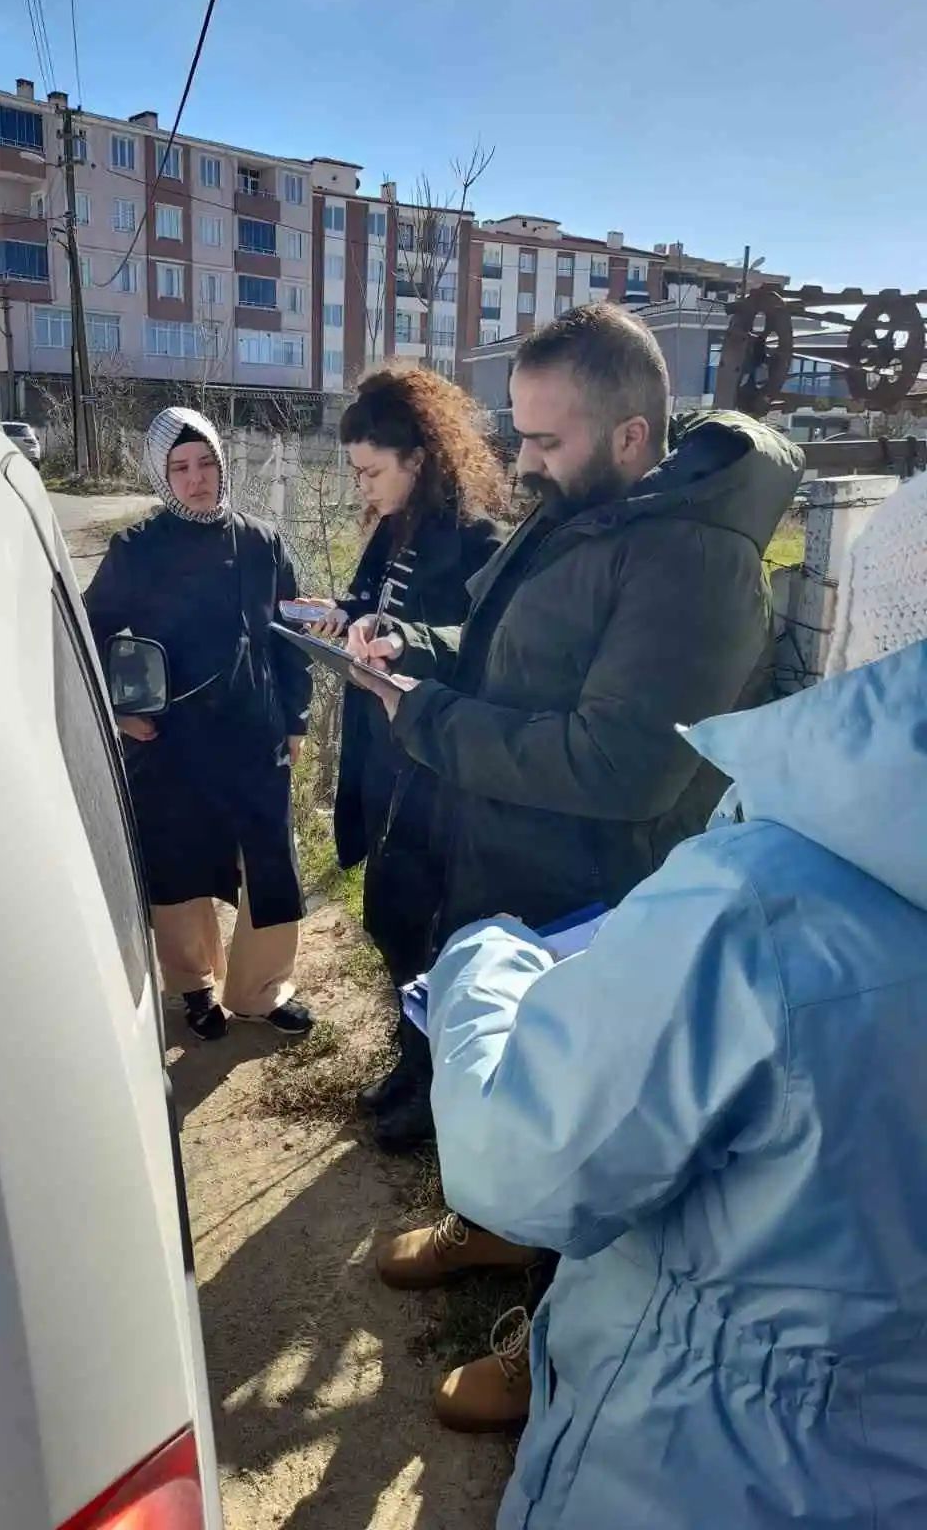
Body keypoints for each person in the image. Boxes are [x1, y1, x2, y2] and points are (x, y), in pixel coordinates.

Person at [422, 469, 927, 1530]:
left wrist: (485, 960)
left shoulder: (758, 904)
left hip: (707, 1466)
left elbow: (518, 1156)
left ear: (875, 635)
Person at [348, 304, 801, 1429]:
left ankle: (558, 1339)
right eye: (521, 436)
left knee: (584, 1124)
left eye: (545, 441)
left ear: (634, 437)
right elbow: (512, 658)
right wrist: (417, 649)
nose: (522, 462)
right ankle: (498, 1225)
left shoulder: (695, 556)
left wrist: (427, 719)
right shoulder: (584, 513)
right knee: (504, 1082)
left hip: (600, 903)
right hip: (516, 865)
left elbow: (620, 767)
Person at [295, 368, 505, 1132]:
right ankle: (411, 1057)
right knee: (387, 914)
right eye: (356, 474)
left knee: (426, 926)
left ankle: (433, 1083)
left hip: (436, 773)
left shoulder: (479, 541)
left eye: (371, 472)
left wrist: (400, 647)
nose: (364, 489)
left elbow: (478, 658)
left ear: (418, 458)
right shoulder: (394, 528)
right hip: (381, 756)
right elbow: (366, 601)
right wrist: (337, 615)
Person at [85, 406, 314, 1041]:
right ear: (162, 477)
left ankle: (262, 990)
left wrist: (294, 716)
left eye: (206, 462)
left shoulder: (261, 541)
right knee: (178, 864)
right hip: (173, 743)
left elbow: (290, 632)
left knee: (270, 862)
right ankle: (194, 986)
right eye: (179, 468)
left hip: (254, 733)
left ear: (221, 463)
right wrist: (121, 710)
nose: (196, 479)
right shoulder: (137, 549)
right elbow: (84, 633)